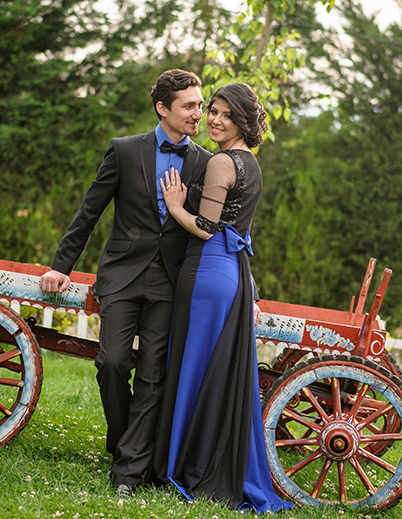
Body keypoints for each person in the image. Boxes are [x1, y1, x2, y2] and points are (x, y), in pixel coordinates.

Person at [39, 69, 212, 497]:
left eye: (200, 104)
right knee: (112, 363)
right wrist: (61, 266)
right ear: (162, 108)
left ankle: (128, 472)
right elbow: (89, 211)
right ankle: (124, 445)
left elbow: (221, 229)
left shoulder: (207, 163)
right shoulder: (124, 150)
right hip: (122, 276)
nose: (199, 113)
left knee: (153, 375)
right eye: (190, 105)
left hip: (171, 283)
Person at [153, 83, 293, 513]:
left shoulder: (221, 162)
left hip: (206, 272)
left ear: (243, 122)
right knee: (211, 369)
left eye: (225, 115)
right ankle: (199, 458)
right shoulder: (252, 164)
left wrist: (176, 206)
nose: (214, 120)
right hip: (231, 274)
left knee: (193, 367)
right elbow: (239, 231)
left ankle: (184, 464)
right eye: (212, 111)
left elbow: (207, 227)